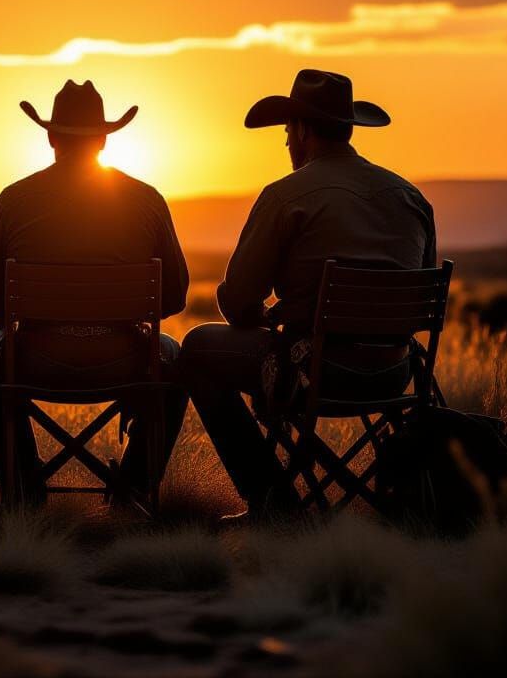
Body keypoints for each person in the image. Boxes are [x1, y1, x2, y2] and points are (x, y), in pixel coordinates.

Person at [178, 69, 437, 519]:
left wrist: (263, 312)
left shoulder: (286, 196)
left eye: (285, 132)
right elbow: (422, 295)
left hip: (318, 373)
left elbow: (238, 302)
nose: (285, 144)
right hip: (394, 375)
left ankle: (272, 503)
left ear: (301, 129)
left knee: (198, 348)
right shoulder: (411, 198)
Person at [0, 80, 190, 505]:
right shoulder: (146, 199)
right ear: (105, 139)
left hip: (33, 360)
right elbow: (176, 296)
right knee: (177, 358)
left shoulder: (14, 199)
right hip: (125, 359)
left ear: (51, 136)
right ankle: (134, 491)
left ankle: (23, 491)